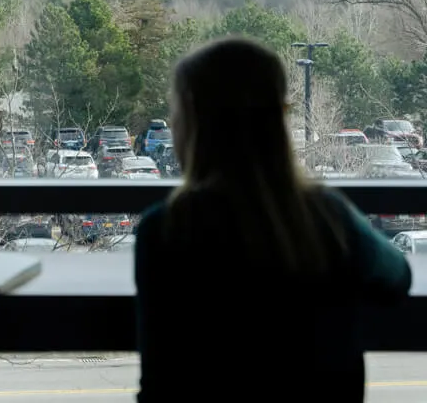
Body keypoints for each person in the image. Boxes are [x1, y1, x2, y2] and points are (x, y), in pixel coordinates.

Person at [135, 37, 411, 402]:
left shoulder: (167, 228)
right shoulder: (327, 215)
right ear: (277, 122)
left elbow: (160, 378)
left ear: (194, 124)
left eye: (176, 114)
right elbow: (396, 277)